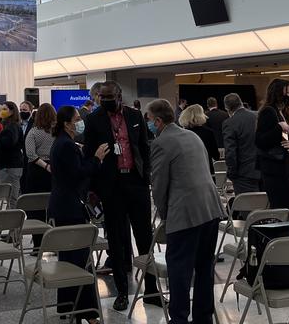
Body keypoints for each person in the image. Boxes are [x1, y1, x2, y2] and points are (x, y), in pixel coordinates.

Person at [148, 99, 224, 324]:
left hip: (185, 213)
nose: (149, 124)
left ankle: (179, 319)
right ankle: (203, 318)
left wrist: (164, 214)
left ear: (159, 121)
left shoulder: (161, 143)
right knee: (204, 268)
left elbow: (159, 184)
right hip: (210, 208)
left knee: (179, 270)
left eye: (150, 120)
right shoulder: (193, 136)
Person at [83, 81, 156, 311]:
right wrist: (95, 188)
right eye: (102, 99)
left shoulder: (135, 116)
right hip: (111, 185)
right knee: (115, 239)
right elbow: (89, 153)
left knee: (145, 236)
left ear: (119, 96)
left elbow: (144, 147)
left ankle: (152, 289)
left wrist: (146, 177)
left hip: (135, 181)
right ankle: (122, 291)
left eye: (110, 98)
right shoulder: (94, 120)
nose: (106, 102)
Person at [49, 105, 109, 324]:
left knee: (69, 260)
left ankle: (67, 306)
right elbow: (78, 173)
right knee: (81, 262)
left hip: (63, 205)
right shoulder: (66, 145)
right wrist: (96, 159)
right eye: (76, 119)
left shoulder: (63, 143)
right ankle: (90, 313)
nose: (79, 121)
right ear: (67, 123)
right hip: (70, 207)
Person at [255, 79, 289, 221]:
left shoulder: (284, 112)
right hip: (274, 169)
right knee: (284, 208)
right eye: (288, 93)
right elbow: (260, 141)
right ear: (278, 93)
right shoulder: (268, 111)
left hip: (286, 167)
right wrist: (278, 128)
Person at [222, 93, 260, 196]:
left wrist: (231, 173)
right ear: (241, 103)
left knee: (248, 209)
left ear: (227, 108)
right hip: (264, 170)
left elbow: (230, 151)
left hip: (243, 173)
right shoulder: (258, 116)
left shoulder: (229, 123)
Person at [0, 102, 25, 206]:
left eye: (5, 109)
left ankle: (11, 218)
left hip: (10, 166)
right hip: (8, 165)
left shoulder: (12, 126)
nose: (2, 111)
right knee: (8, 196)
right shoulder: (9, 125)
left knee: (10, 196)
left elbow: (9, 142)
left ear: (12, 111)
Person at [24, 103, 56, 194]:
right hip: (55, 166)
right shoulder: (58, 132)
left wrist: (46, 166)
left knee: (35, 201)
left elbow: (30, 153)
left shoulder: (33, 132)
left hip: (37, 168)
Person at [178, 104, 218, 172]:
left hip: (188, 173)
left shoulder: (180, 135)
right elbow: (216, 156)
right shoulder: (208, 133)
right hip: (206, 172)